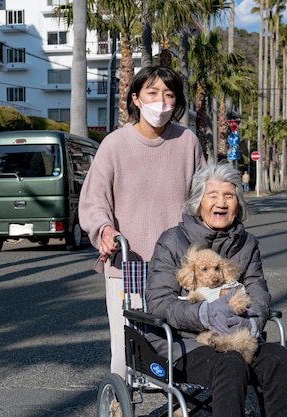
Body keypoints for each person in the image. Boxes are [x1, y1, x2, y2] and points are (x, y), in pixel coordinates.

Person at [79, 65, 206, 377]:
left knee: (183, 338)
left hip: (180, 265)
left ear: (177, 103)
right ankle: (118, 401)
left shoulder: (188, 142)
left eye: (169, 94)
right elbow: (94, 199)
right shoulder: (114, 144)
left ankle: (180, 400)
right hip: (127, 262)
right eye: (152, 93)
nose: (161, 102)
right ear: (136, 98)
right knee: (126, 343)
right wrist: (104, 229)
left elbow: (203, 198)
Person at [145, 163, 287, 417]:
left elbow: (258, 290)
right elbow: (159, 302)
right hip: (187, 344)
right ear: (198, 202)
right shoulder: (172, 241)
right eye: (212, 195)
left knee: (278, 357)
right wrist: (203, 313)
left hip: (239, 338)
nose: (221, 203)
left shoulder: (247, 244)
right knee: (231, 363)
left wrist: (253, 324)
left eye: (229, 195)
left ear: (238, 202)